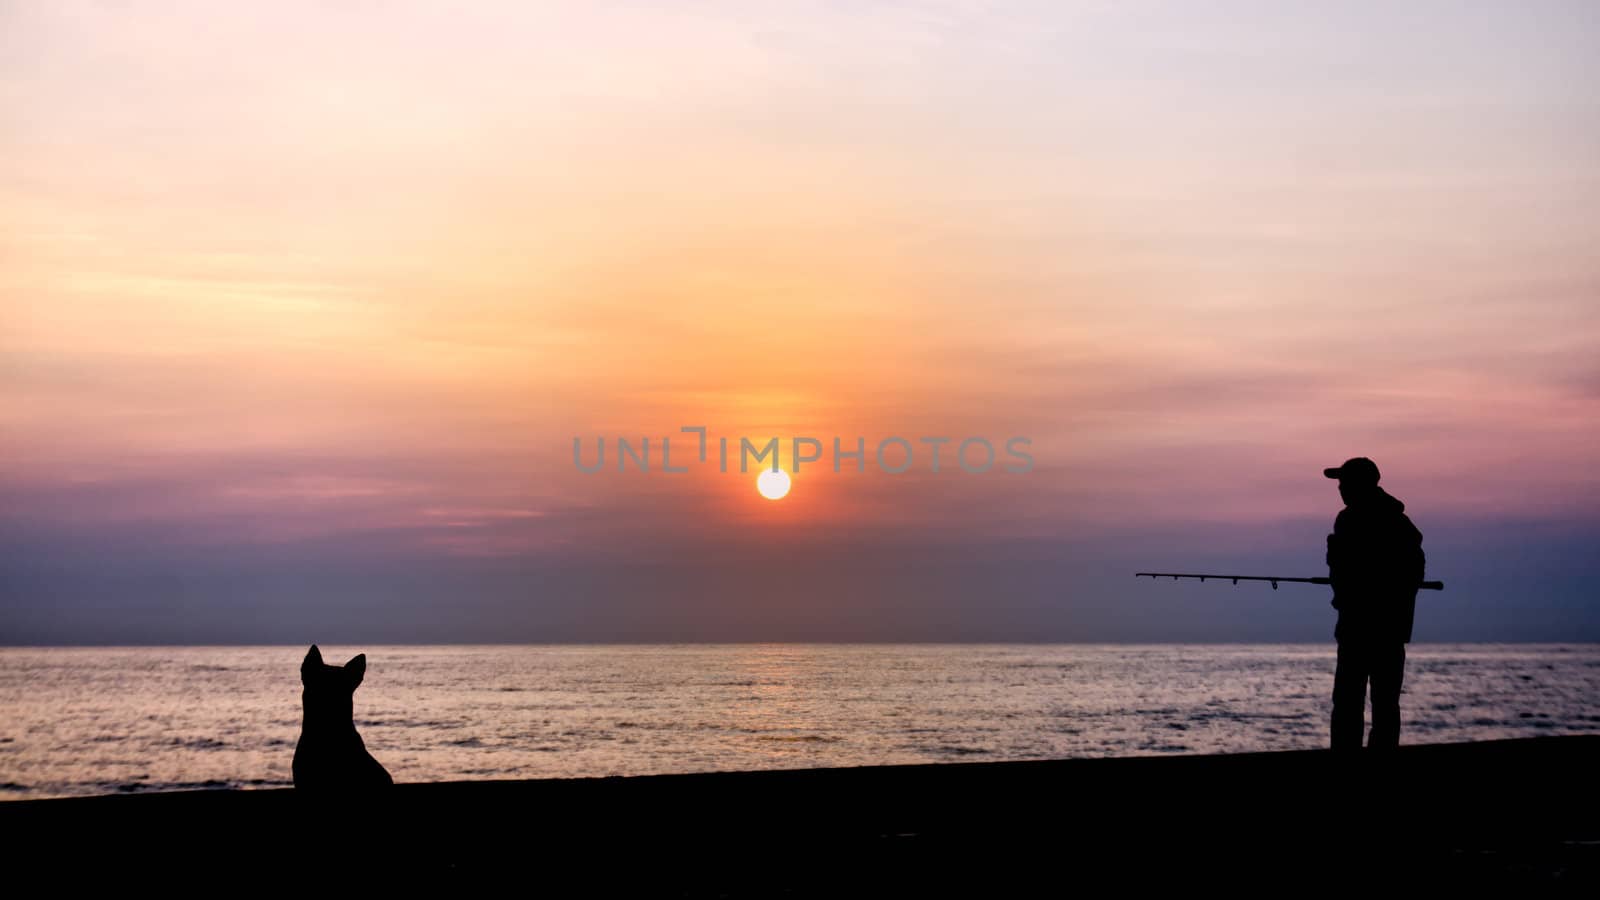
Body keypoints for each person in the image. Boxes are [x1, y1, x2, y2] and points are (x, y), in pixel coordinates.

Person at [1323, 457, 1425, 750]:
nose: (1340, 488)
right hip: (1391, 630)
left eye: (1344, 482)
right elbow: (1414, 572)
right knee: (1384, 704)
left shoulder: (1350, 520)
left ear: (1359, 484)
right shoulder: (1401, 523)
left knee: (1348, 702)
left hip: (1361, 628)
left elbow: (1342, 570)